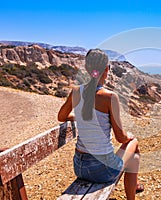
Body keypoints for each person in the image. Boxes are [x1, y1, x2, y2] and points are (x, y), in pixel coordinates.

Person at [57, 49, 143, 200]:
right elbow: (121, 138)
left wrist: (83, 118)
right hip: (101, 170)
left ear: (87, 69)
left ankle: (134, 186)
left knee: (133, 158)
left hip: (80, 167)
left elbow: (61, 116)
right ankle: (132, 191)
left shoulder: (76, 91)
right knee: (134, 143)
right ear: (107, 69)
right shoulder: (110, 97)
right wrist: (128, 136)